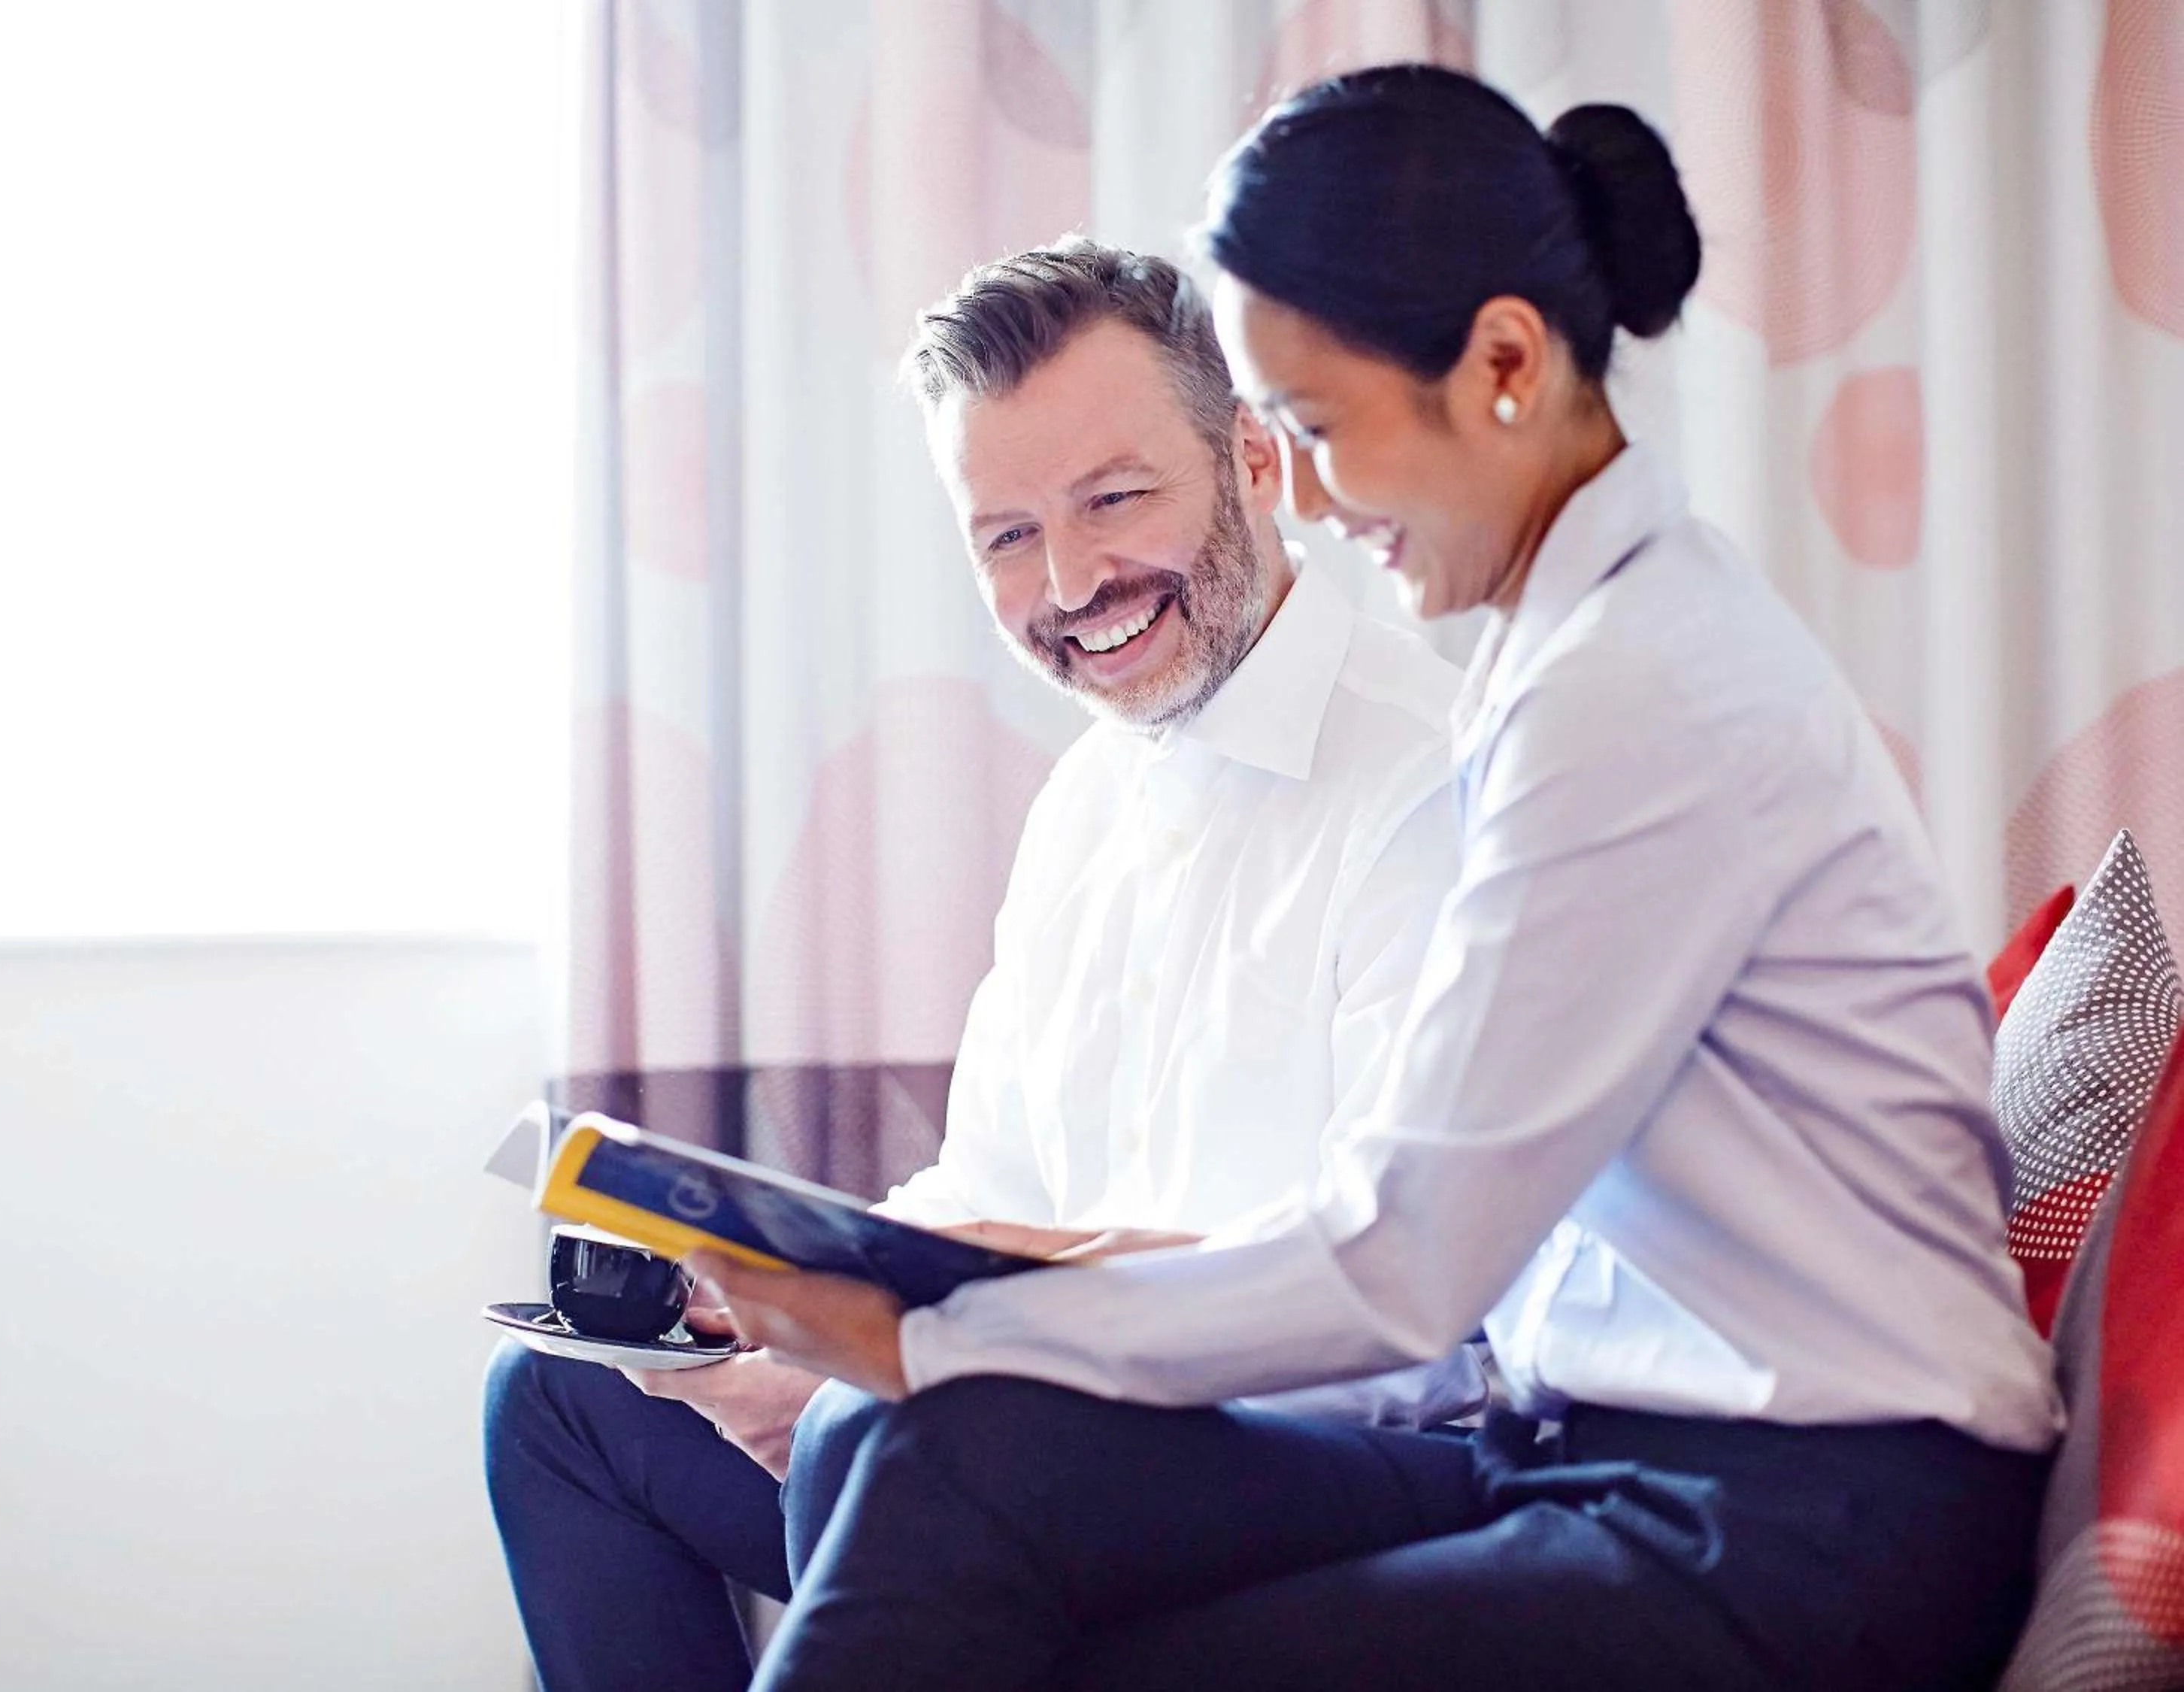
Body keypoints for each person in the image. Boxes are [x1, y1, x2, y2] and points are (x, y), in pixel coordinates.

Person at [698, 66, 2064, 1692]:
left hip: (1807, 1517)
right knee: (930, 1458)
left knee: (1013, 1536)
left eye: (1323, 429)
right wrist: (932, 1351)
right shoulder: (1566, 652)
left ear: (1502, 363)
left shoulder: (1635, 688)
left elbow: (1408, 1257)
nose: (1319, 501)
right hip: (1599, 1450)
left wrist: (932, 1333)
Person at [482, 236, 1486, 1692]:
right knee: (559, 1402)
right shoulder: (1088, 799)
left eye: (1114, 499)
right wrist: (771, 1308)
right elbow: (986, 1198)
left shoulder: (1421, 783)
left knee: (886, 1436)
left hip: (1323, 1468)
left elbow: (1410, 1324)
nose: (1071, 579)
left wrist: (923, 1359)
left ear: (1257, 461)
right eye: (1006, 535)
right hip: (1021, 1450)